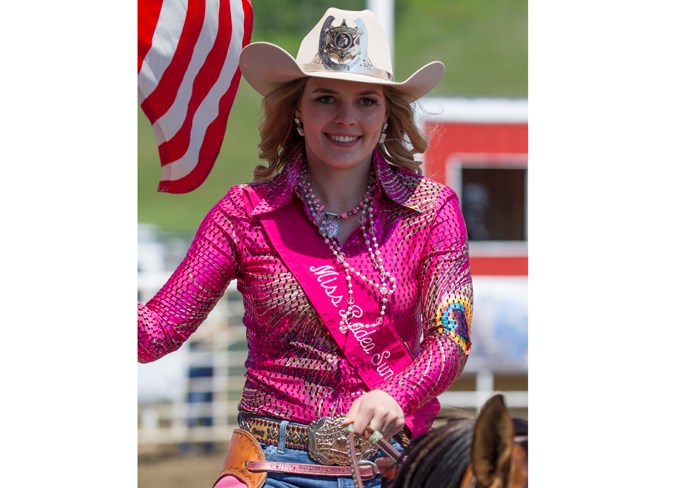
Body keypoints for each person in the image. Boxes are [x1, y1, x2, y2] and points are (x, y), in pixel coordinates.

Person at [138, 7, 473, 488]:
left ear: (387, 113)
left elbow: (451, 337)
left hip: (389, 467)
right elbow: (153, 333)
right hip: (268, 467)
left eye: (366, 101)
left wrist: (397, 393)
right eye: (326, 98)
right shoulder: (243, 215)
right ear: (296, 108)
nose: (346, 118)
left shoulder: (431, 211)